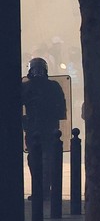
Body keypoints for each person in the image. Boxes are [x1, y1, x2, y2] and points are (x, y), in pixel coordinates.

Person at [21, 57, 66, 211]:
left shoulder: (28, 87)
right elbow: (61, 110)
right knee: (42, 158)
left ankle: (41, 189)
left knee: (39, 158)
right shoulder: (52, 86)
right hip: (43, 127)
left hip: (38, 128)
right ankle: (43, 189)